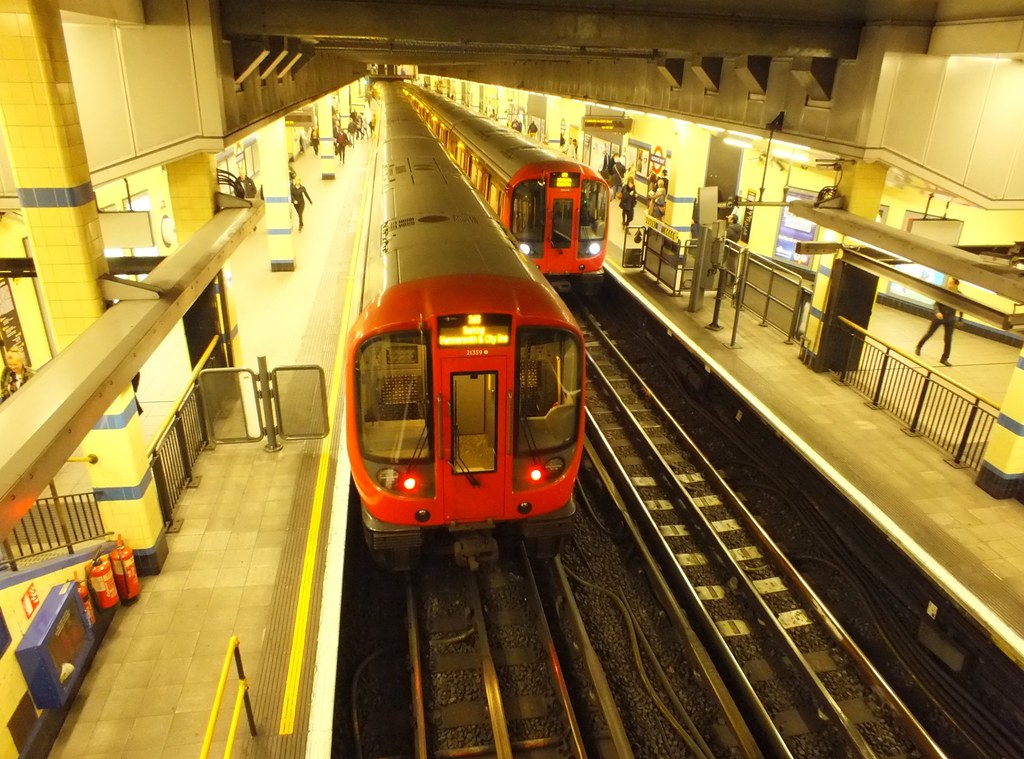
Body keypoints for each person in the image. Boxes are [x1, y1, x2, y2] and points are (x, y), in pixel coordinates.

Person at [915, 277, 960, 367]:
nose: (948, 285)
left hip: (950, 319)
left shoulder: (960, 295)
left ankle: (944, 358)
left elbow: (963, 308)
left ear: (956, 285)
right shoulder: (944, 293)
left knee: (948, 339)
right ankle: (919, 346)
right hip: (939, 317)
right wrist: (938, 312)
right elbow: (936, 304)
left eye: (950, 283)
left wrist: (959, 319)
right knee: (930, 333)